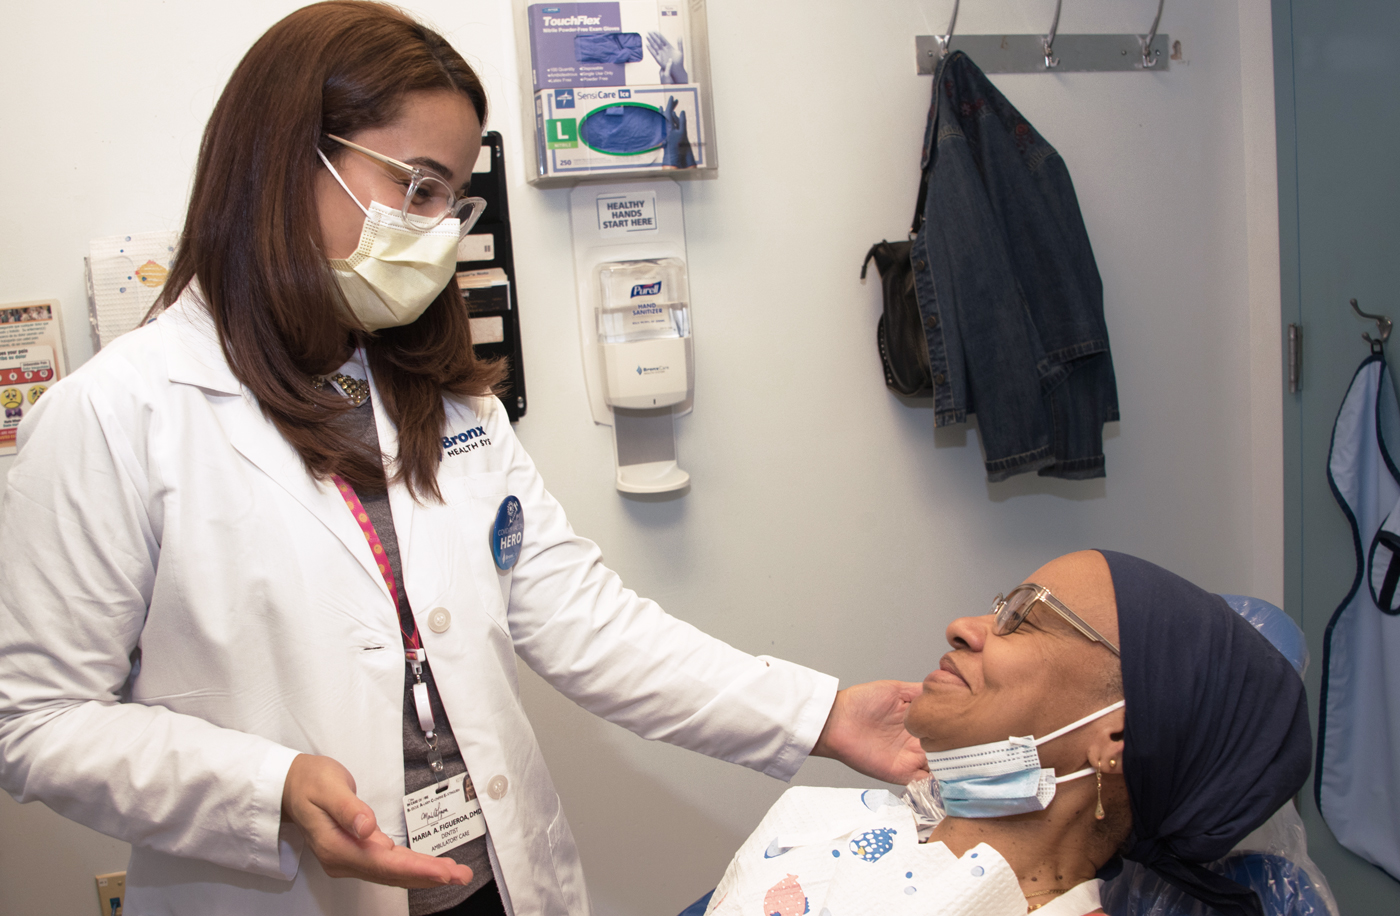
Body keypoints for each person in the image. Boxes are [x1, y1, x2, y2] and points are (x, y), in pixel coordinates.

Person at [0, 4, 924, 915]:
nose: (439, 228)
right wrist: (263, 786)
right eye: (417, 186)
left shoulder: (444, 402)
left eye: (453, 196)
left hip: (491, 883)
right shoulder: (116, 416)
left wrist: (818, 714)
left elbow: (585, 623)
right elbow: (34, 723)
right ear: (285, 160)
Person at [702, 551, 1312, 916]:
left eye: (1025, 619)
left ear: (1115, 739)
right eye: (999, 608)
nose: (962, 627)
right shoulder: (847, 827)